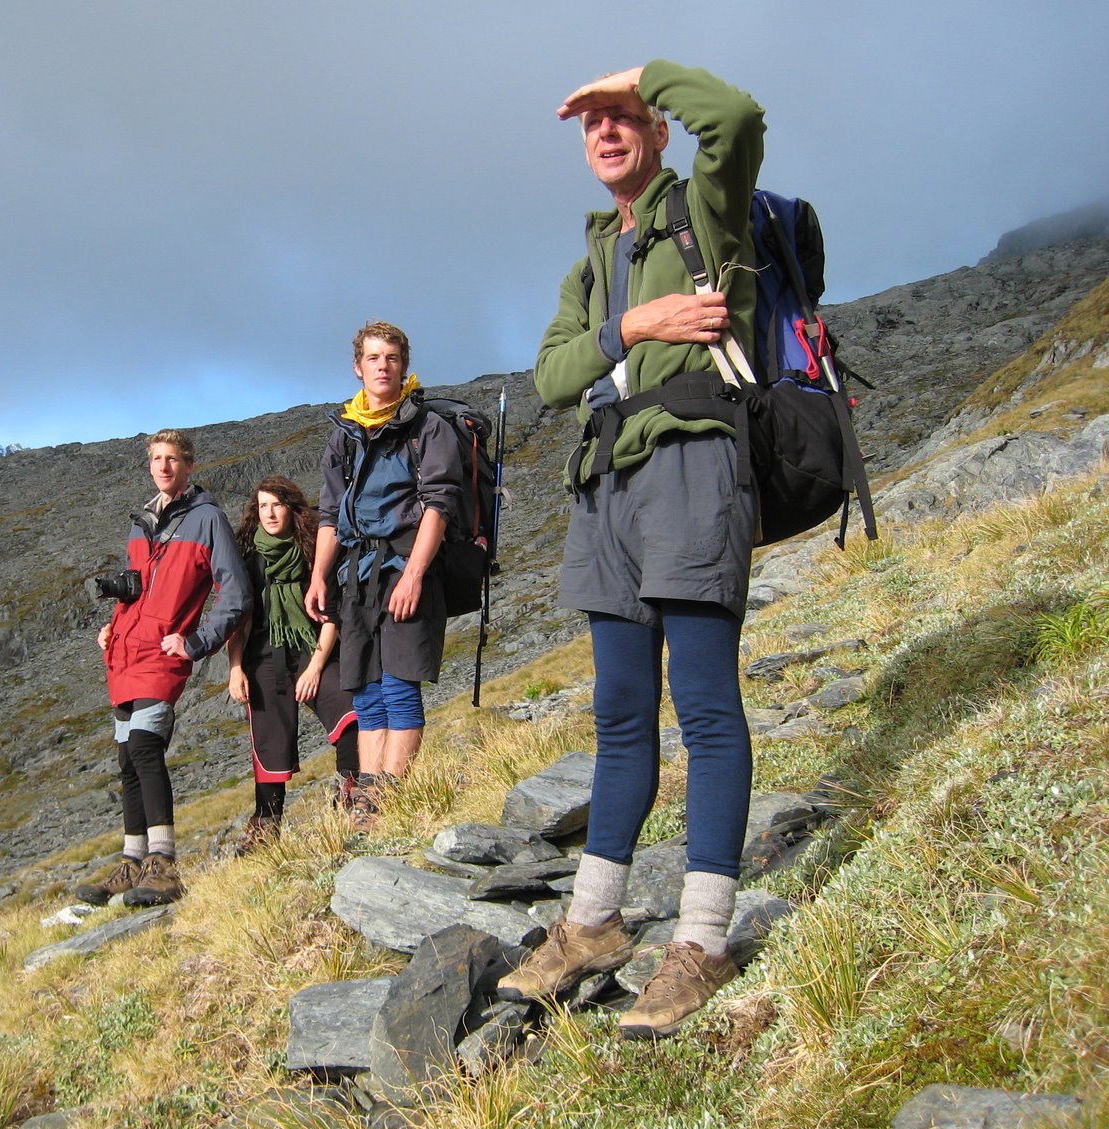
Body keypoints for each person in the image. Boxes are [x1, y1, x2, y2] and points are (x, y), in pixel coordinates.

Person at [496, 62, 765, 1039]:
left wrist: (640, 75)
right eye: (592, 125)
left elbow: (734, 116)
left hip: (693, 464)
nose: (606, 133)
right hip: (606, 485)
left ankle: (702, 940)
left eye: (624, 119)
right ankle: (593, 924)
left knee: (704, 705)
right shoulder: (591, 260)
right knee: (619, 714)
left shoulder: (704, 210)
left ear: (656, 133)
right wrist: (636, 323)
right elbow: (552, 375)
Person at [76, 430, 250, 907]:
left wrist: (196, 642)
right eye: (157, 458)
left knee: (145, 747)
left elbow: (235, 594)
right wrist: (112, 626)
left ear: (189, 465)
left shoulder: (207, 519)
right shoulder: (141, 524)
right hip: (124, 654)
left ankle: (163, 865)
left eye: (173, 458)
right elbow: (136, 591)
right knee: (127, 757)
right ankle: (132, 863)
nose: (164, 466)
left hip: (162, 655)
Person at [304, 321, 463, 824]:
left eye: (391, 358)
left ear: (404, 365)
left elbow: (439, 502)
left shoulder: (426, 427)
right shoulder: (345, 434)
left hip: (406, 566)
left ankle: (389, 800)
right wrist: (319, 577)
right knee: (366, 691)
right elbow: (330, 515)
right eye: (373, 358)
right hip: (356, 576)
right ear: (358, 367)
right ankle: (367, 800)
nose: (383, 366)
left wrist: (414, 574)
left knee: (398, 684)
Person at [225, 476, 360, 850]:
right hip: (263, 654)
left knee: (349, 712)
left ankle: (352, 799)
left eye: (277, 505)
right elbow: (240, 620)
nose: (269, 513)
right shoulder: (249, 559)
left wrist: (315, 668)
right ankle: (265, 829)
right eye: (263, 506)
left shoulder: (313, 551)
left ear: (292, 508)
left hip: (312, 648)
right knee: (269, 741)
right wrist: (235, 668)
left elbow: (331, 614)